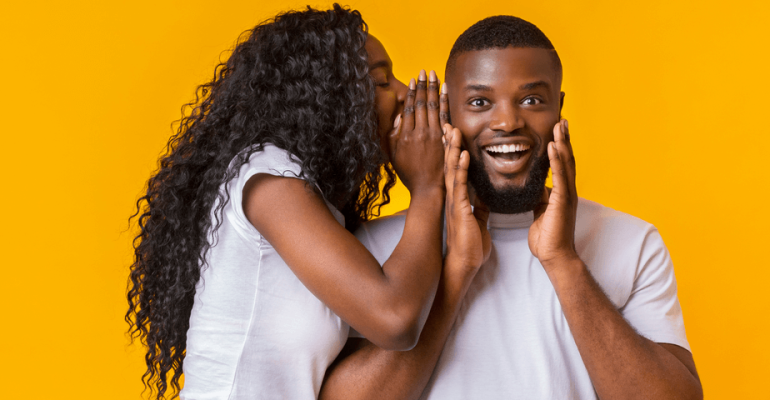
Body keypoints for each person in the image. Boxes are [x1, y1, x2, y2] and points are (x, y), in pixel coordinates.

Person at [321, 16, 703, 400]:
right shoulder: (378, 248)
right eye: (479, 102)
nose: (507, 122)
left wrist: (562, 260)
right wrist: (457, 270)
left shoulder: (633, 242)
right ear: (447, 113)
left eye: (532, 100)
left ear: (560, 108)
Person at [125, 4, 455, 399]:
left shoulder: (315, 202)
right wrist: (427, 187)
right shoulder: (268, 180)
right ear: (331, 99)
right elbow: (395, 319)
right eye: (381, 81)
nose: (404, 94)